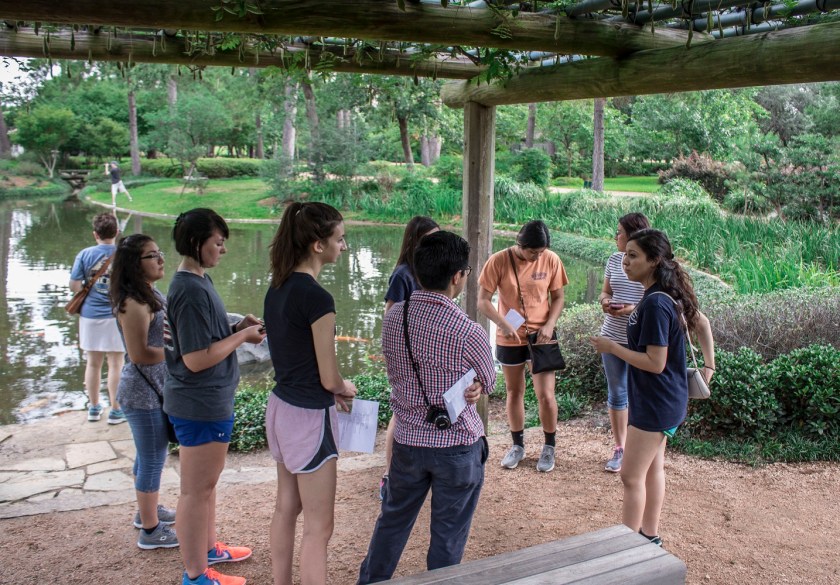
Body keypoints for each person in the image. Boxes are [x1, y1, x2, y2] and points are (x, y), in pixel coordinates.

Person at [357, 231, 496, 584]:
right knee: (447, 537)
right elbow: (489, 382)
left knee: (391, 522)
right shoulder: (469, 331)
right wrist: (476, 384)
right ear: (457, 277)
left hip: (407, 443)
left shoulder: (393, 318)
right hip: (457, 447)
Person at [590, 228, 715, 547]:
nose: (625, 262)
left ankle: (627, 547)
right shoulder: (660, 295)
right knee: (651, 469)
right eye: (625, 254)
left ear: (654, 260)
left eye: (633, 256)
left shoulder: (656, 303)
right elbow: (701, 322)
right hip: (664, 399)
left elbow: (655, 362)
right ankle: (649, 536)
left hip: (657, 402)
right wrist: (709, 366)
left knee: (630, 476)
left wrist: (611, 347)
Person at [163, 208, 266, 585]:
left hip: (208, 400)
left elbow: (206, 335)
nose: (222, 250)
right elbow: (194, 359)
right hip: (198, 402)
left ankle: (208, 550)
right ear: (196, 243)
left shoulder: (198, 280)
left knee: (206, 486)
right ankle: (196, 575)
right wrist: (242, 338)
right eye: (218, 243)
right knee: (195, 490)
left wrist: (236, 325)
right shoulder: (188, 289)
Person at [263, 201, 358, 585]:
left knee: (287, 507)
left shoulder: (277, 287)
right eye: (340, 238)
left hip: (281, 407)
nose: (344, 246)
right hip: (308, 416)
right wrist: (343, 386)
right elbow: (327, 375)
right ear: (318, 245)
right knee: (320, 526)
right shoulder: (318, 298)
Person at [477, 220, 568, 473]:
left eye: (541, 252)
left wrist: (550, 324)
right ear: (520, 245)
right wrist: (503, 324)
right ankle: (517, 445)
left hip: (542, 336)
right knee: (513, 391)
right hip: (510, 337)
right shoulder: (498, 261)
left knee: (546, 395)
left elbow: (558, 297)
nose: (537, 257)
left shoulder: (550, 259)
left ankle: (549, 446)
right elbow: (483, 301)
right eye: (533, 253)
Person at [110, 233, 178, 550]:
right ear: (134, 265)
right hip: (142, 392)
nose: (161, 259)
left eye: (159, 252)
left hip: (154, 388)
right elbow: (139, 354)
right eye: (152, 255)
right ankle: (150, 531)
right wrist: (180, 353)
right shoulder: (134, 303)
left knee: (148, 454)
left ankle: (146, 512)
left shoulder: (150, 293)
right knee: (153, 458)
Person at [379, 215, 440, 499]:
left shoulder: (433, 270)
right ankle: (389, 475)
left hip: (429, 355)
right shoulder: (403, 274)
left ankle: (418, 471)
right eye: (430, 238)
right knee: (400, 413)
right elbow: (390, 314)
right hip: (408, 356)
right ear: (415, 241)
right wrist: (392, 352)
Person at [597, 213, 651, 473]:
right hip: (612, 335)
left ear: (633, 235)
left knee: (640, 394)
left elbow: (656, 301)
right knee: (617, 393)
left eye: (619, 231)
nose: (615, 236)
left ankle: (642, 447)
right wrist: (606, 302)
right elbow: (606, 291)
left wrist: (631, 310)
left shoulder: (650, 264)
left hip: (639, 340)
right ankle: (621, 448)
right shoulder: (613, 260)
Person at [69, 212, 126, 425]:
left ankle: (93, 408)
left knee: (93, 364)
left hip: (90, 316)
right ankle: (116, 410)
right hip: (117, 315)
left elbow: (74, 286)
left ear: (95, 234)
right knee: (116, 363)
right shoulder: (124, 254)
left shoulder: (84, 254)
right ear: (117, 232)